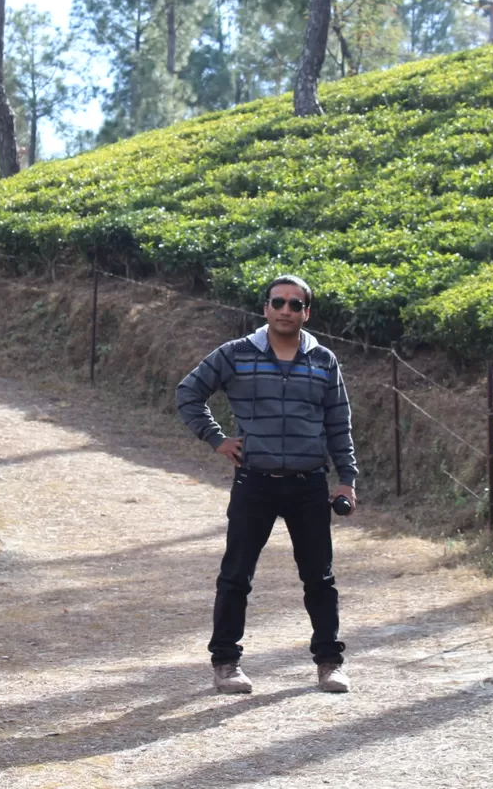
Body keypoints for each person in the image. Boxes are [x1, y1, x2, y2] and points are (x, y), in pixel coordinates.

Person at [177, 274, 357, 694]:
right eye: (279, 302)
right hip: (254, 482)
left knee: (320, 579)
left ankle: (330, 663)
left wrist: (346, 480)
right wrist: (217, 439)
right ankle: (226, 663)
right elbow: (189, 393)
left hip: (309, 484)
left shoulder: (323, 360)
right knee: (236, 575)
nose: (286, 310)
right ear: (266, 308)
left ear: (306, 313)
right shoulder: (235, 354)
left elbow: (339, 423)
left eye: (296, 305)